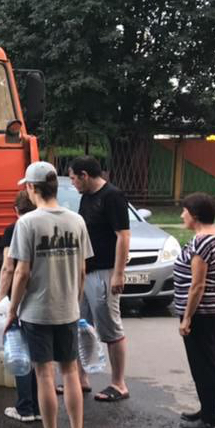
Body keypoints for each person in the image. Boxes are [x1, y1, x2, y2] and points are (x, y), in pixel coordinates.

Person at [5, 161, 99, 428]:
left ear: (31, 188)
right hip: (67, 310)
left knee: (44, 374)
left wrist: (12, 310)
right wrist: (74, 299)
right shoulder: (77, 221)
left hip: (36, 312)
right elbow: (83, 270)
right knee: (70, 372)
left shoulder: (27, 223)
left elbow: (21, 273)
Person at [69, 156, 132, 402]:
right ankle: (80, 379)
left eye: (74, 178)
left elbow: (123, 236)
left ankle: (119, 384)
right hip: (86, 272)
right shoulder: (87, 197)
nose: (73, 183)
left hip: (105, 272)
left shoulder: (112, 196)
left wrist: (118, 273)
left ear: (85, 175)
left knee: (110, 327)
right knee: (81, 325)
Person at [173, 192, 215, 428]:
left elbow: (198, 285)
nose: (181, 215)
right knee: (211, 363)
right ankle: (208, 410)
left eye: (184, 211)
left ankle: (209, 417)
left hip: (203, 312)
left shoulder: (202, 242)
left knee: (203, 365)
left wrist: (187, 317)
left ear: (194, 215)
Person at [0, 190, 40, 422]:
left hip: (20, 298)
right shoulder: (44, 224)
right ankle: (40, 408)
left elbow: (9, 267)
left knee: (21, 352)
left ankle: (25, 408)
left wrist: (0, 301)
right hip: (43, 296)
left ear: (16, 210)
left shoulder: (14, 230)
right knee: (40, 357)